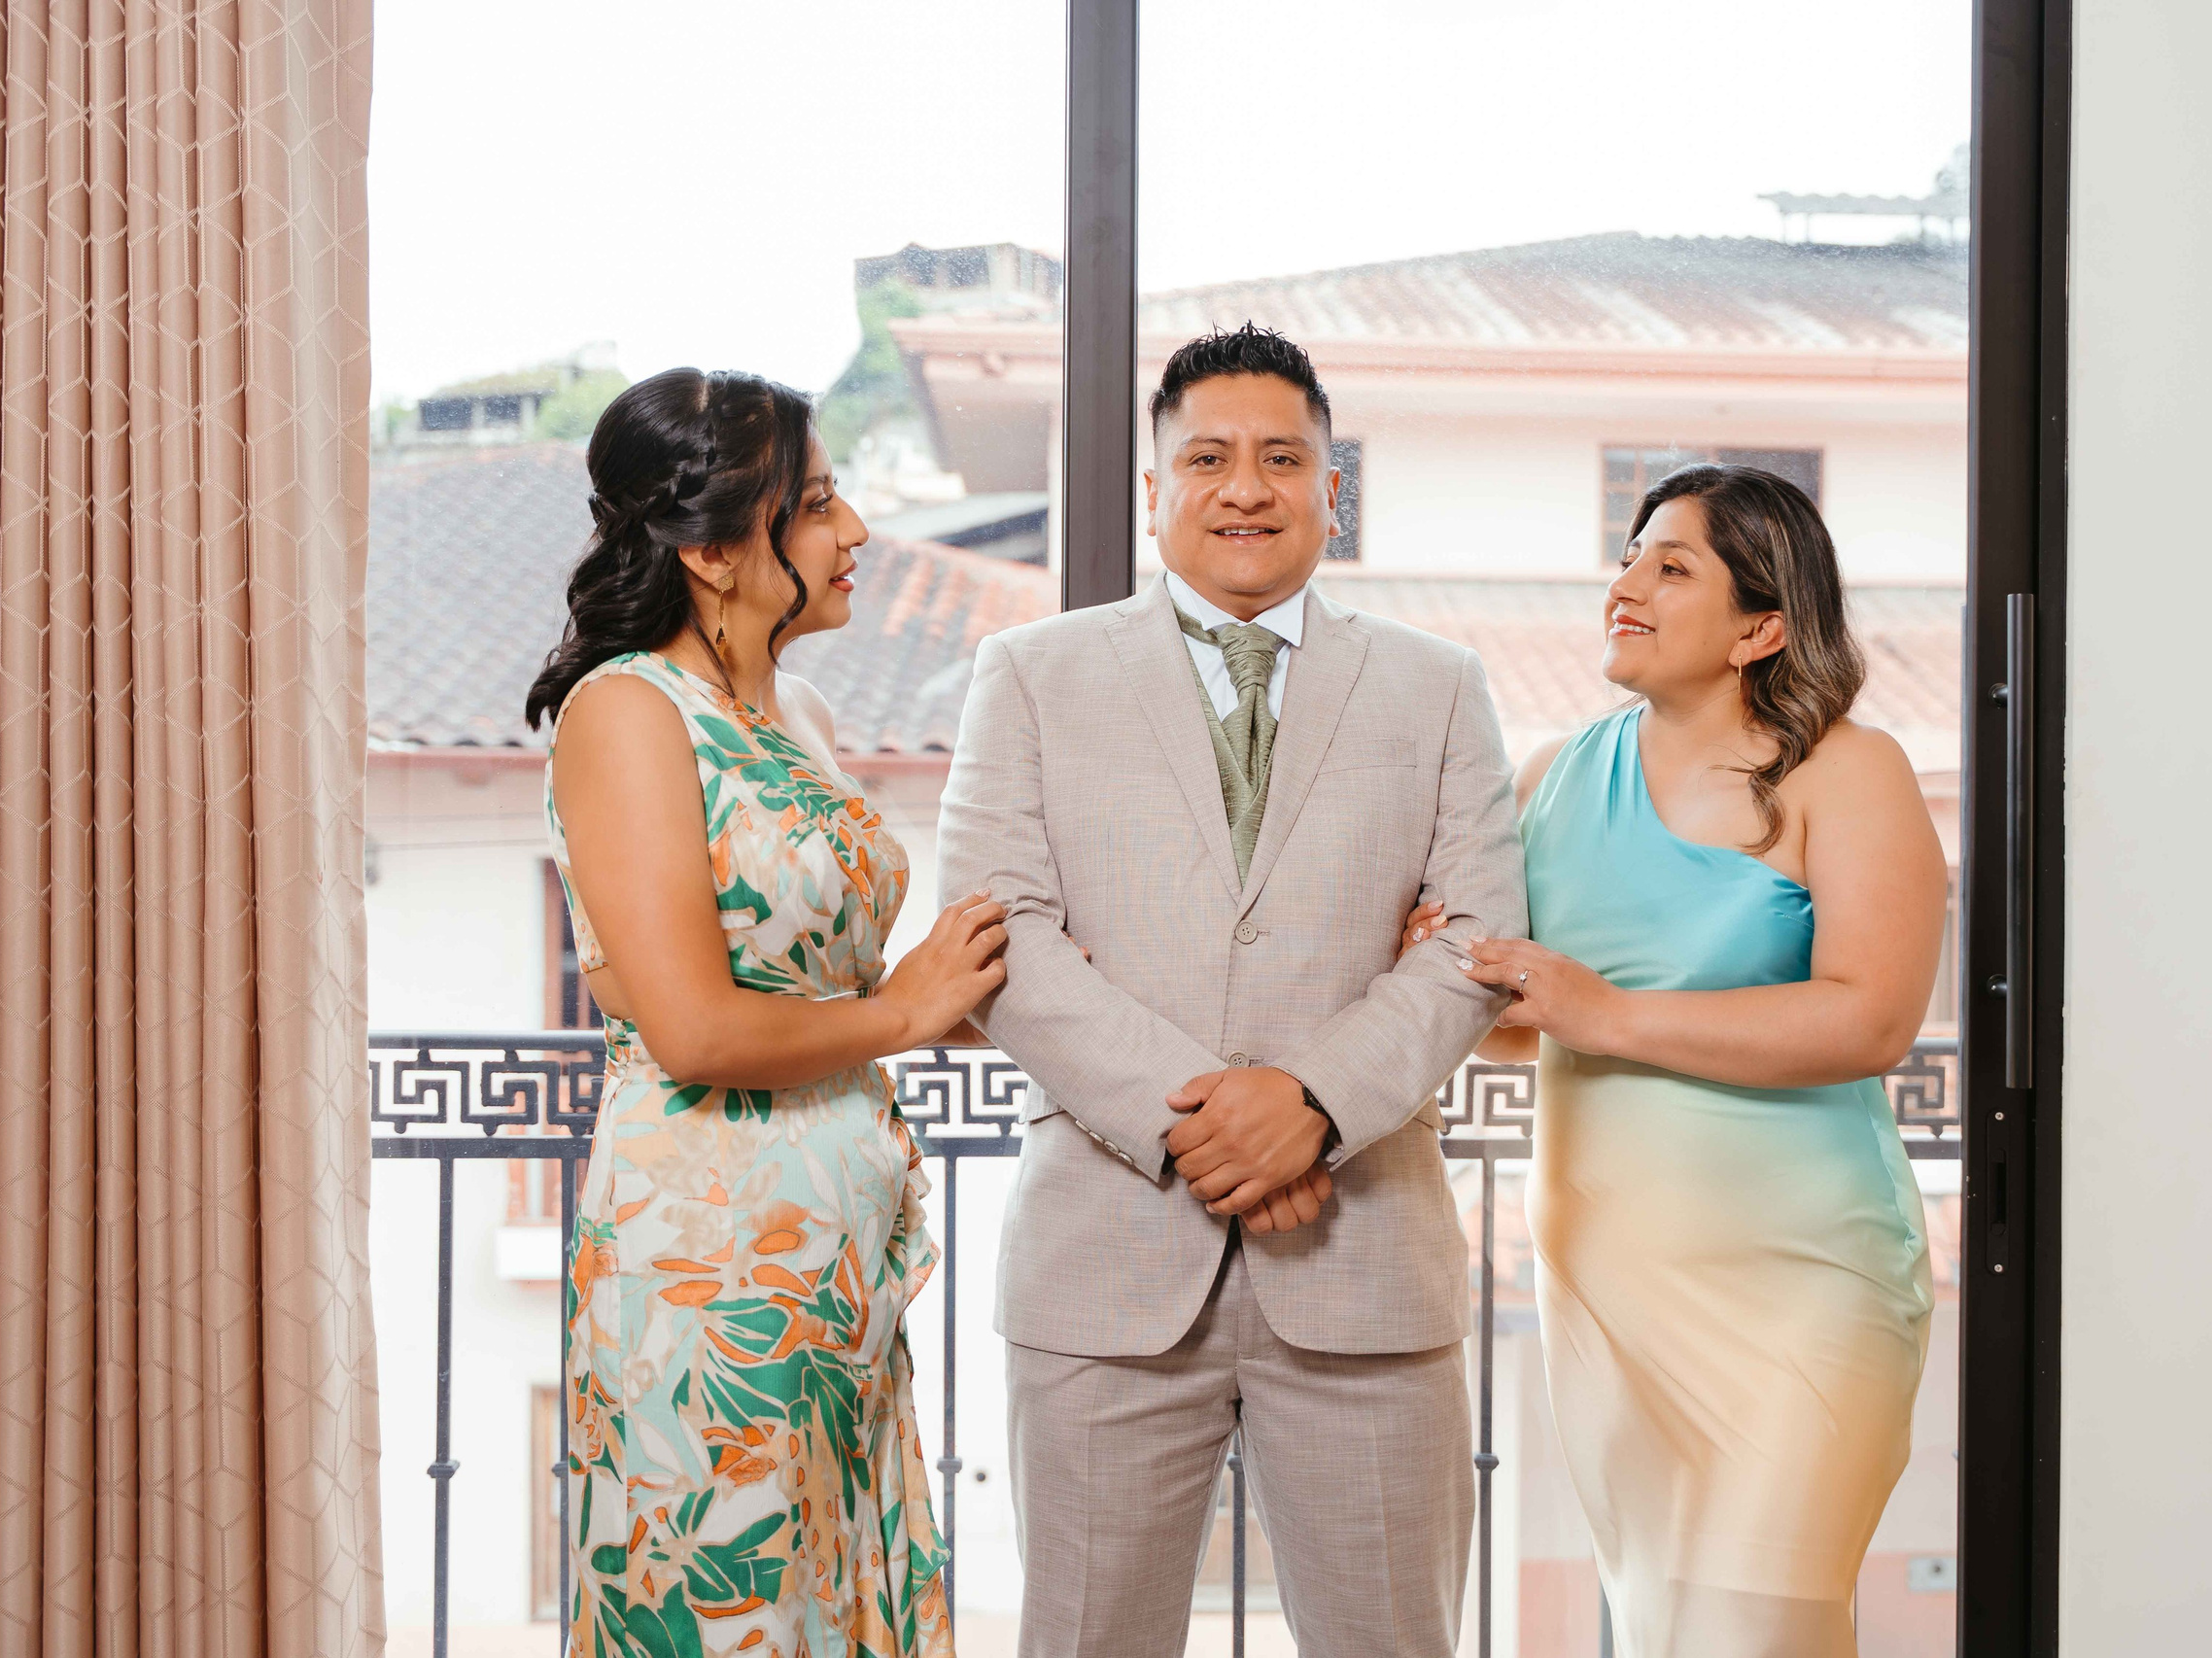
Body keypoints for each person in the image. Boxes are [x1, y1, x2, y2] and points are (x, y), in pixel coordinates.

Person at [937, 324, 1528, 1658]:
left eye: (1282, 457)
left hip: (1365, 1256)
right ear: (1155, 491)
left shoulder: (1439, 689)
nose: (1245, 486)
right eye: (1207, 457)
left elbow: (1478, 940)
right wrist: (1205, 1118)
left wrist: (1312, 1105)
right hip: (1106, 1259)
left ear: (1334, 486)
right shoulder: (1030, 675)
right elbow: (998, 938)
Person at [1407, 463, 1944, 1656]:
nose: (1627, 583)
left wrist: (1607, 1015)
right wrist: (1460, 972)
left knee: (1755, 1631)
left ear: (1760, 624)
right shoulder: (1551, 776)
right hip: (1610, 1292)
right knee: (1663, 1626)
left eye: (1671, 564)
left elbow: (1869, 1018)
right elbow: (1521, 1015)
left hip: (1803, 1285)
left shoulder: (1848, 770)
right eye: (1629, 556)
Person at [528, 367, 1005, 1658]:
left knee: (828, 1603)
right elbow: (694, 1028)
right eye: (817, 506)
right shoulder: (626, 712)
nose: (855, 534)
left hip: (833, 1266)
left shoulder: (801, 713)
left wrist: (952, 991)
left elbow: (823, 989)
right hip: (708, 1268)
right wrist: (904, 1015)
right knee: (723, 1604)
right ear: (714, 550)